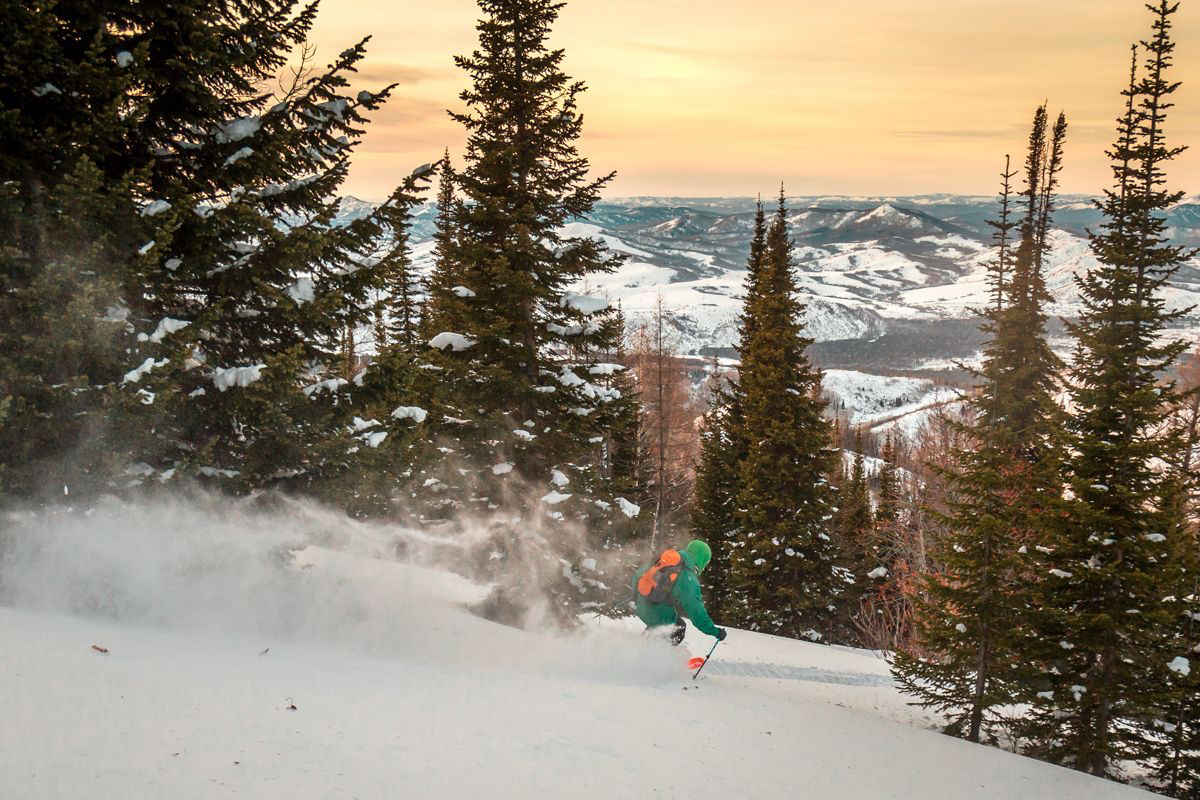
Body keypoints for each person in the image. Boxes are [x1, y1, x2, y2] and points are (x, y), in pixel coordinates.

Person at [632, 539, 727, 646]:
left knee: (663, 626)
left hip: (642, 605)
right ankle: (658, 658)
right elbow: (696, 612)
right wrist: (715, 632)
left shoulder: (667, 559)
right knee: (678, 628)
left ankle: (638, 649)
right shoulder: (687, 578)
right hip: (657, 614)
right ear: (702, 560)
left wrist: (636, 598)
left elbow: (639, 575)